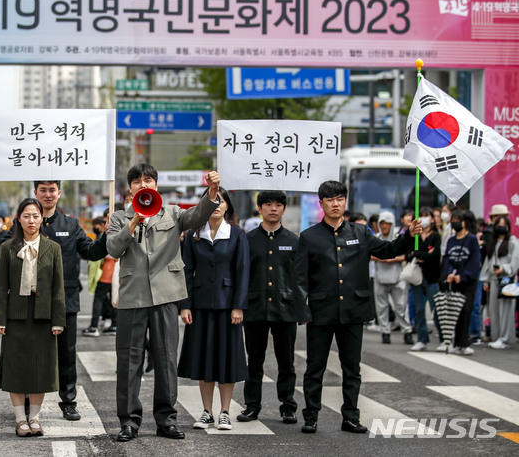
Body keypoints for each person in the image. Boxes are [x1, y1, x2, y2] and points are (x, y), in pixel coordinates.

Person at [295, 181, 421, 434]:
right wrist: (303, 311)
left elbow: (388, 250)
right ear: (321, 204)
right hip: (321, 312)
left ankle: (350, 416)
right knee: (314, 367)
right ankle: (311, 416)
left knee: (352, 367)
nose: (335, 203)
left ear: (345, 202)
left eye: (340, 199)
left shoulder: (361, 233)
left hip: (353, 310)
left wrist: (408, 236)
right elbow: (299, 278)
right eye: (330, 199)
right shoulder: (309, 237)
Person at [107, 164, 221, 442]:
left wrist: (213, 191)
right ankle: (129, 421)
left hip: (166, 296)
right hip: (132, 297)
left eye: (148, 180)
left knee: (167, 360)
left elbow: (198, 215)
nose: (143, 185)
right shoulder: (119, 217)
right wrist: (134, 221)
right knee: (129, 362)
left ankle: (166, 420)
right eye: (137, 181)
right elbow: (112, 249)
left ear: (156, 185)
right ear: (129, 187)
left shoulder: (172, 212)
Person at [0, 180, 107, 421]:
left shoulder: (71, 224)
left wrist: (107, 235)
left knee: (67, 355)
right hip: (28, 303)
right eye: (42, 190)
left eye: (52, 190)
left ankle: (68, 401)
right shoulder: (25, 220)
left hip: (64, 299)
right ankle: (27, 401)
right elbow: (1, 250)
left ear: (59, 193)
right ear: (35, 192)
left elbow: (91, 252)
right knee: (29, 353)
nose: (47, 195)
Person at [178, 187, 249, 432]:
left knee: (226, 361)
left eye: (222, 202)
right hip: (200, 306)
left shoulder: (238, 235)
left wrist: (238, 306)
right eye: (212, 201)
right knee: (203, 360)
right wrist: (185, 305)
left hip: (228, 307)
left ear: (228, 206)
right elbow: (186, 271)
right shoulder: (193, 235)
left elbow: (242, 271)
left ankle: (225, 412)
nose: (217, 205)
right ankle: (207, 411)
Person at [237, 191, 310, 425]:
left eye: (278, 204)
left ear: (284, 209)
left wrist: (302, 310)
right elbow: (241, 275)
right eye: (268, 204)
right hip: (255, 308)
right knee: (254, 361)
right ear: (260, 208)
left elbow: (300, 278)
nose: (273, 208)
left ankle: (288, 406)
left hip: (285, 308)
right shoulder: (248, 240)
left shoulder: (294, 240)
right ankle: (252, 406)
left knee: (286, 362)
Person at [0, 198, 65, 437]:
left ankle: (34, 418)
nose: (31, 220)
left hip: (43, 316)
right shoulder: (7, 248)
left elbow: (58, 287)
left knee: (40, 369)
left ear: (41, 218)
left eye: (35, 216)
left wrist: (58, 320)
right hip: (15, 316)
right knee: (15, 368)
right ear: (18, 219)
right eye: (26, 216)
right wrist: (0, 319)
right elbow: (2, 286)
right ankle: (19, 420)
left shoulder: (53, 247)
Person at [438, 210, 482, 355]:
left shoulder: (472, 239)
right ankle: (454, 342)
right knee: (452, 312)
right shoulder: (450, 240)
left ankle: (463, 343)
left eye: (458, 220)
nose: (455, 223)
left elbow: (475, 262)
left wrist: (463, 276)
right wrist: (449, 274)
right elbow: (447, 259)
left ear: (465, 222)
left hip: (467, 283)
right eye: (453, 220)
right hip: (453, 282)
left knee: (466, 310)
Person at [372, 211, 413, 345]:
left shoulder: (398, 237)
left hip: (397, 277)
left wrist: (392, 259)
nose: (384, 226)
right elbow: (368, 254)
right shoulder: (376, 238)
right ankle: (385, 332)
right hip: (380, 277)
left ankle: (407, 331)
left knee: (401, 306)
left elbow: (406, 254)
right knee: (381, 307)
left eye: (387, 224)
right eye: (382, 223)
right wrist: (381, 257)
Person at [406, 207, 442, 351]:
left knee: (436, 309)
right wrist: (423, 253)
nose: (424, 218)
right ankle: (422, 338)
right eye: (421, 216)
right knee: (419, 309)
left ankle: (443, 338)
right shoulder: (415, 236)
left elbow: (435, 256)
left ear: (432, 219)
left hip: (432, 278)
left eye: (427, 216)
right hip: (417, 278)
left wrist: (419, 254)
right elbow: (409, 254)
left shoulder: (436, 236)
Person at [480, 215, 519, 349]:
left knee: (506, 309)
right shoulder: (494, 242)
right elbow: (488, 262)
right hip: (494, 279)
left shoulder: (513, 242)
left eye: (504, 224)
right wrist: (485, 280)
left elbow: (515, 261)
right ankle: (496, 336)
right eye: (498, 224)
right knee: (494, 308)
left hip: (507, 279)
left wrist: (504, 268)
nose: (501, 226)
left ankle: (505, 338)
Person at [84, 213, 117, 337]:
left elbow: (110, 254)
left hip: (107, 273)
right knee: (111, 299)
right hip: (110, 273)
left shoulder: (111, 233)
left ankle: (94, 326)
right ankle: (113, 324)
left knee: (99, 299)